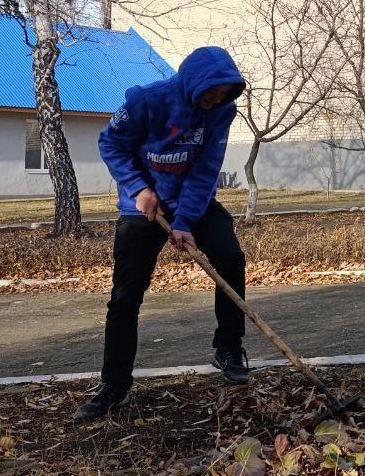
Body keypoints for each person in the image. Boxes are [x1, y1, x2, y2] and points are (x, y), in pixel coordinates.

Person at [75, 46, 249, 420]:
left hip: (192, 201)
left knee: (231, 258)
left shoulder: (221, 112)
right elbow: (111, 143)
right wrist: (139, 188)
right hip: (144, 204)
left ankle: (229, 347)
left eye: (223, 94)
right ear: (192, 80)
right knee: (126, 294)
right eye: (211, 92)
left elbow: (205, 170)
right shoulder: (147, 101)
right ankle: (114, 385)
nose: (215, 100)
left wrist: (185, 221)